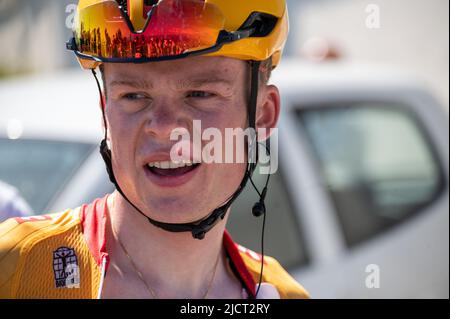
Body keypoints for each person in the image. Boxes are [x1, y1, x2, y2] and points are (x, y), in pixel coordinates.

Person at [0, 0, 309, 299]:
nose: (163, 126)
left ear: (263, 114)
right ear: (106, 112)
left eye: (199, 93)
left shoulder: (284, 294)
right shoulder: (14, 267)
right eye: (134, 95)